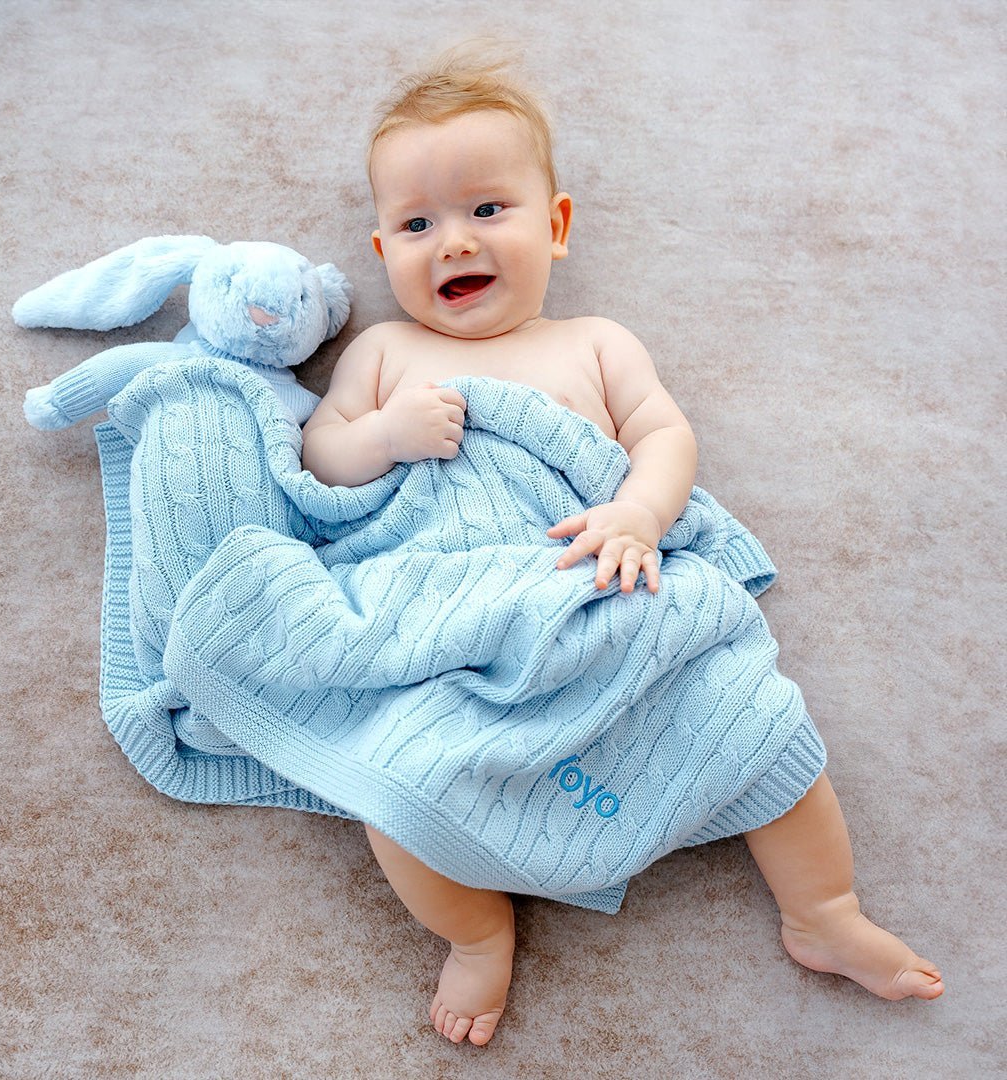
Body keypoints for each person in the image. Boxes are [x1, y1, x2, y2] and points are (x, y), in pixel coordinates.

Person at [300, 47, 943, 1047]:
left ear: (554, 228)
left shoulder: (594, 341)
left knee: (756, 723)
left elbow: (663, 438)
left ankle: (824, 912)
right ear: (382, 252)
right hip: (459, 629)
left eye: (486, 210)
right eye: (417, 224)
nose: (453, 242)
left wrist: (640, 513)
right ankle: (475, 936)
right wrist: (381, 436)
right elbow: (321, 460)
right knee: (392, 782)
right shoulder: (386, 355)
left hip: (602, 597)